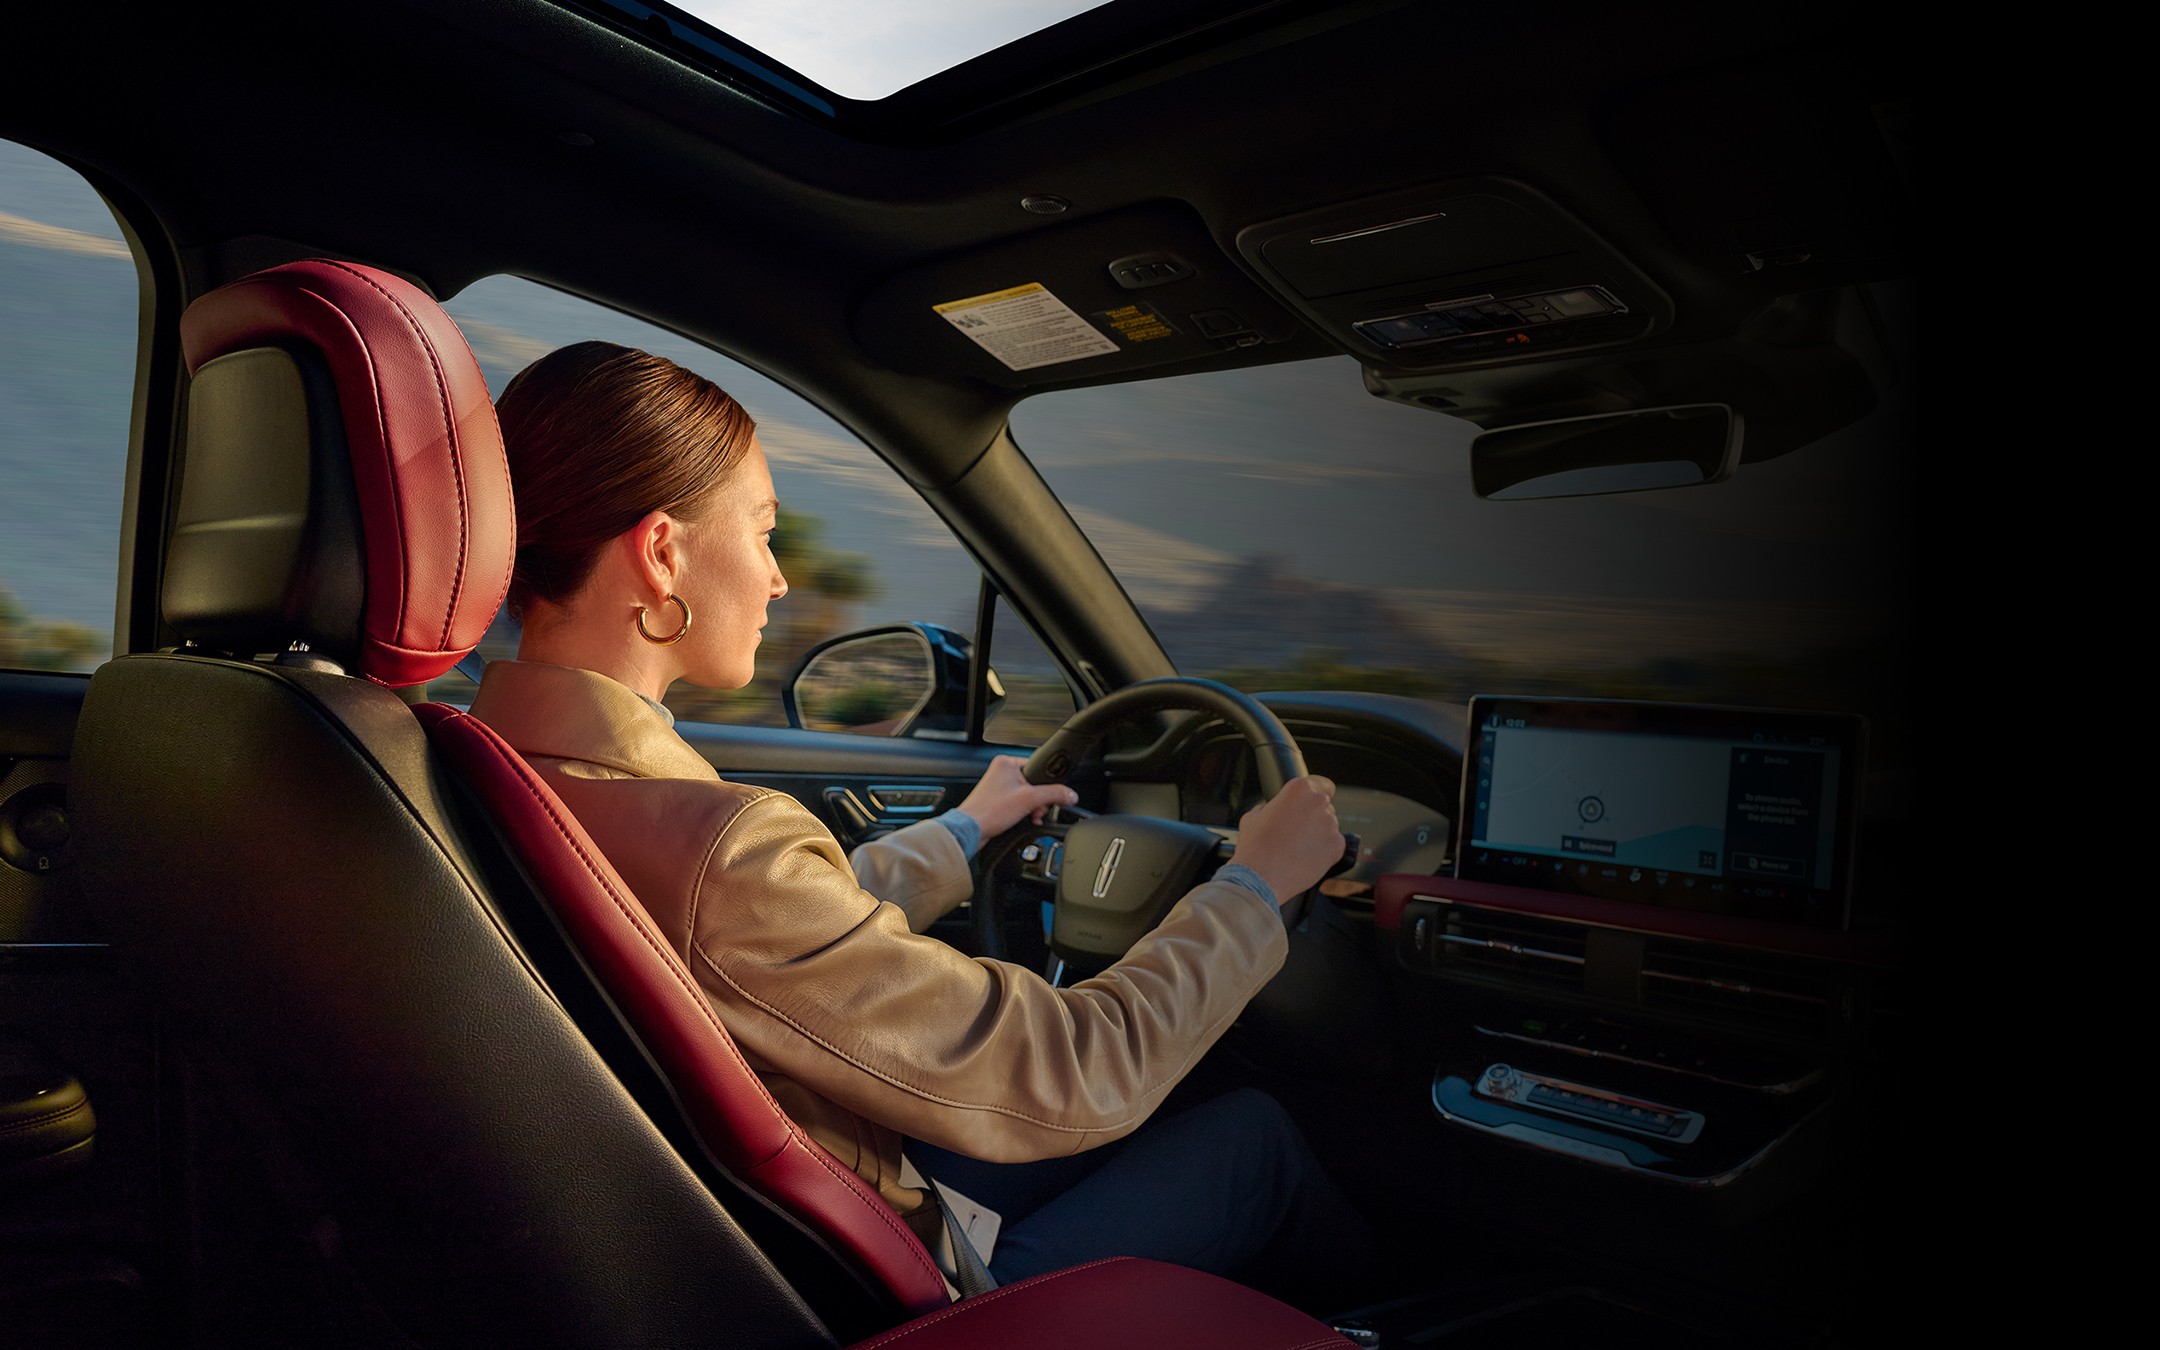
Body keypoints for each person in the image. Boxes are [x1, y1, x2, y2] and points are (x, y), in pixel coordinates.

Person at [468, 341, 1370, 1304]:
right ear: (660, 553)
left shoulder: (488, 769)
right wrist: (1254, 887)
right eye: (765, 533)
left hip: (749, 1241)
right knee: (1253, 1142)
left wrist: (966, 832)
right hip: (898, 1293)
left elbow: (766, 943)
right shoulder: (715, 848)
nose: (776, 580)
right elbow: (1073, 1066)